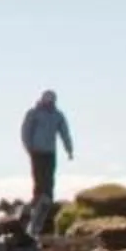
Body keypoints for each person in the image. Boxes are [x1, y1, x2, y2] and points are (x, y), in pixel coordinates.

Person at [21, 89, 75, 230]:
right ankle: (36, 207)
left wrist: (69, 149)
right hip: (37, 151)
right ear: (43, 100)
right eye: (48, 100)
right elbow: (26, 131)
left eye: (52, 100)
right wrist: (29, 148)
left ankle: (47, 206)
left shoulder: (57, 115)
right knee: (39, 180)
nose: (50, 103)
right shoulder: (33, 113)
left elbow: (64, 132)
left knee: (49, 180)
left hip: (50, 152)